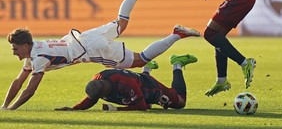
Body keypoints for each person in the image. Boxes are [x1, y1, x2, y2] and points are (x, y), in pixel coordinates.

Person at [1, 0, 200, 110]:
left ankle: (176, 34)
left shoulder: (39, 59)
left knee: (140, 60)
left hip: (91, 49)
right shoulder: (35, 51)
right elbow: (19, 81)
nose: (14, 52)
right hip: (85, 37)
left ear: (26, 45)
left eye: (16, 48)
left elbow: (29, 90)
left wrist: (12, 109)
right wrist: (4, 105)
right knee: (121, 22)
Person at [55, 54, 197, 111]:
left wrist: (115, 109)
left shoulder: (125, 84)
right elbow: (91, 99)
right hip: (136, 82)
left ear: (104, 92)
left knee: (179, 103)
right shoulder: (98, 82)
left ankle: (177, 63)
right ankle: (147, 67)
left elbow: (141, 107)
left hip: (148, 86)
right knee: (140, 100)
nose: (97, 99)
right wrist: (73, 109)